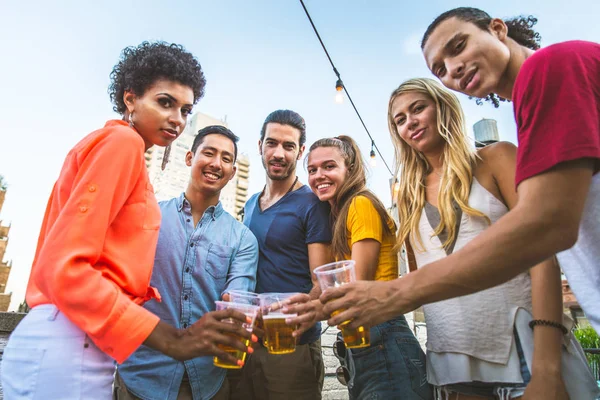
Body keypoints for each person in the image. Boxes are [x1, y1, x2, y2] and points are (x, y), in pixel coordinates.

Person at [321, 7, 599, 349]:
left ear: (497, 29)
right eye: (440, 68)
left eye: (458, 46)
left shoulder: (551, 65)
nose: (452, 68)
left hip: (521, 346)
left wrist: (395, 293)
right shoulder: (530, 109)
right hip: (452, 357)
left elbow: (547, 226)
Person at [1, 42, 254, 399]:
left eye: (185, 109)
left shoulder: (121, 147)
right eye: (165, 102)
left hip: (88, 341)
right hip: (70, 340)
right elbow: (65, 268)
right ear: (130, 98)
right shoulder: (122, 142)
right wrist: (174, 339)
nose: (177, 119)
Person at [390, 78, 573, 399]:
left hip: (518, 348)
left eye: (418, 108)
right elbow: (421, 283)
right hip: (449, 362)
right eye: (400, 120)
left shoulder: (496, 159)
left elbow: (543, 255)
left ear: (442, 107)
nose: (410, 123)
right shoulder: (407, 195)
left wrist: (547, 368)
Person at [115, 125, 259, 400]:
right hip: (139, 376)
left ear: (232, 173)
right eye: (209, 153)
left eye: (226, 159)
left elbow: (238, 299)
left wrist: (239, 309)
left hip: (206, 384)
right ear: (190, 157)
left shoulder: (243, 239)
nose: (217, 163)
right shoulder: (149, 216)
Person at [299, 135, 432, 399]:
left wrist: (307, 313)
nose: (318, 176)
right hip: (363, 342)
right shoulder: (338, 214)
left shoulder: (360, 204)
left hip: (383, 334)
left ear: (349, 168)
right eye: (312, 170)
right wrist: (301, 303)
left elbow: (356, 286)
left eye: (329, 166)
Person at [228, 109, 333, 400]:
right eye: (272, 143)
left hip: (291, 347)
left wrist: (291, 321)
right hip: (247, 342)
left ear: (299, 152)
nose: (279, 153)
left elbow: (321, 282)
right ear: (260, 145)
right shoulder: (249, 204)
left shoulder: (312, 205)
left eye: (288, 146)